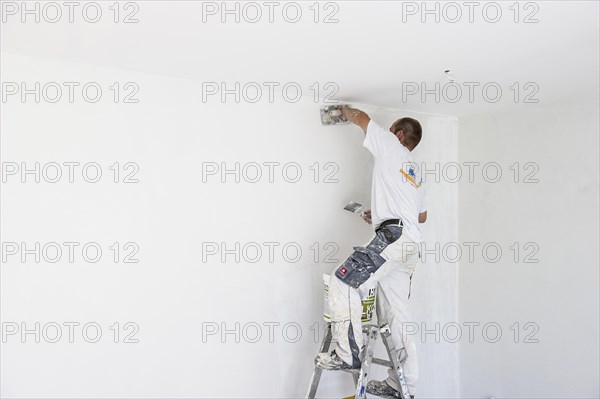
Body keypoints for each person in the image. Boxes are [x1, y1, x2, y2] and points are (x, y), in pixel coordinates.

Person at [315, 105, 427, 399]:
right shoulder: (414, 172)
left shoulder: (392, 145)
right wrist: (376, 215)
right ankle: (405, 383)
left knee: (343, 281)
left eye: (390, 131)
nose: (386, 135)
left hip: (394, 236)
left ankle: (347, 354)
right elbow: (421, 216)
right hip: (409, 244)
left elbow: (363, 119)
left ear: (399, 134)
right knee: (398, 314)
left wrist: (342, 111)